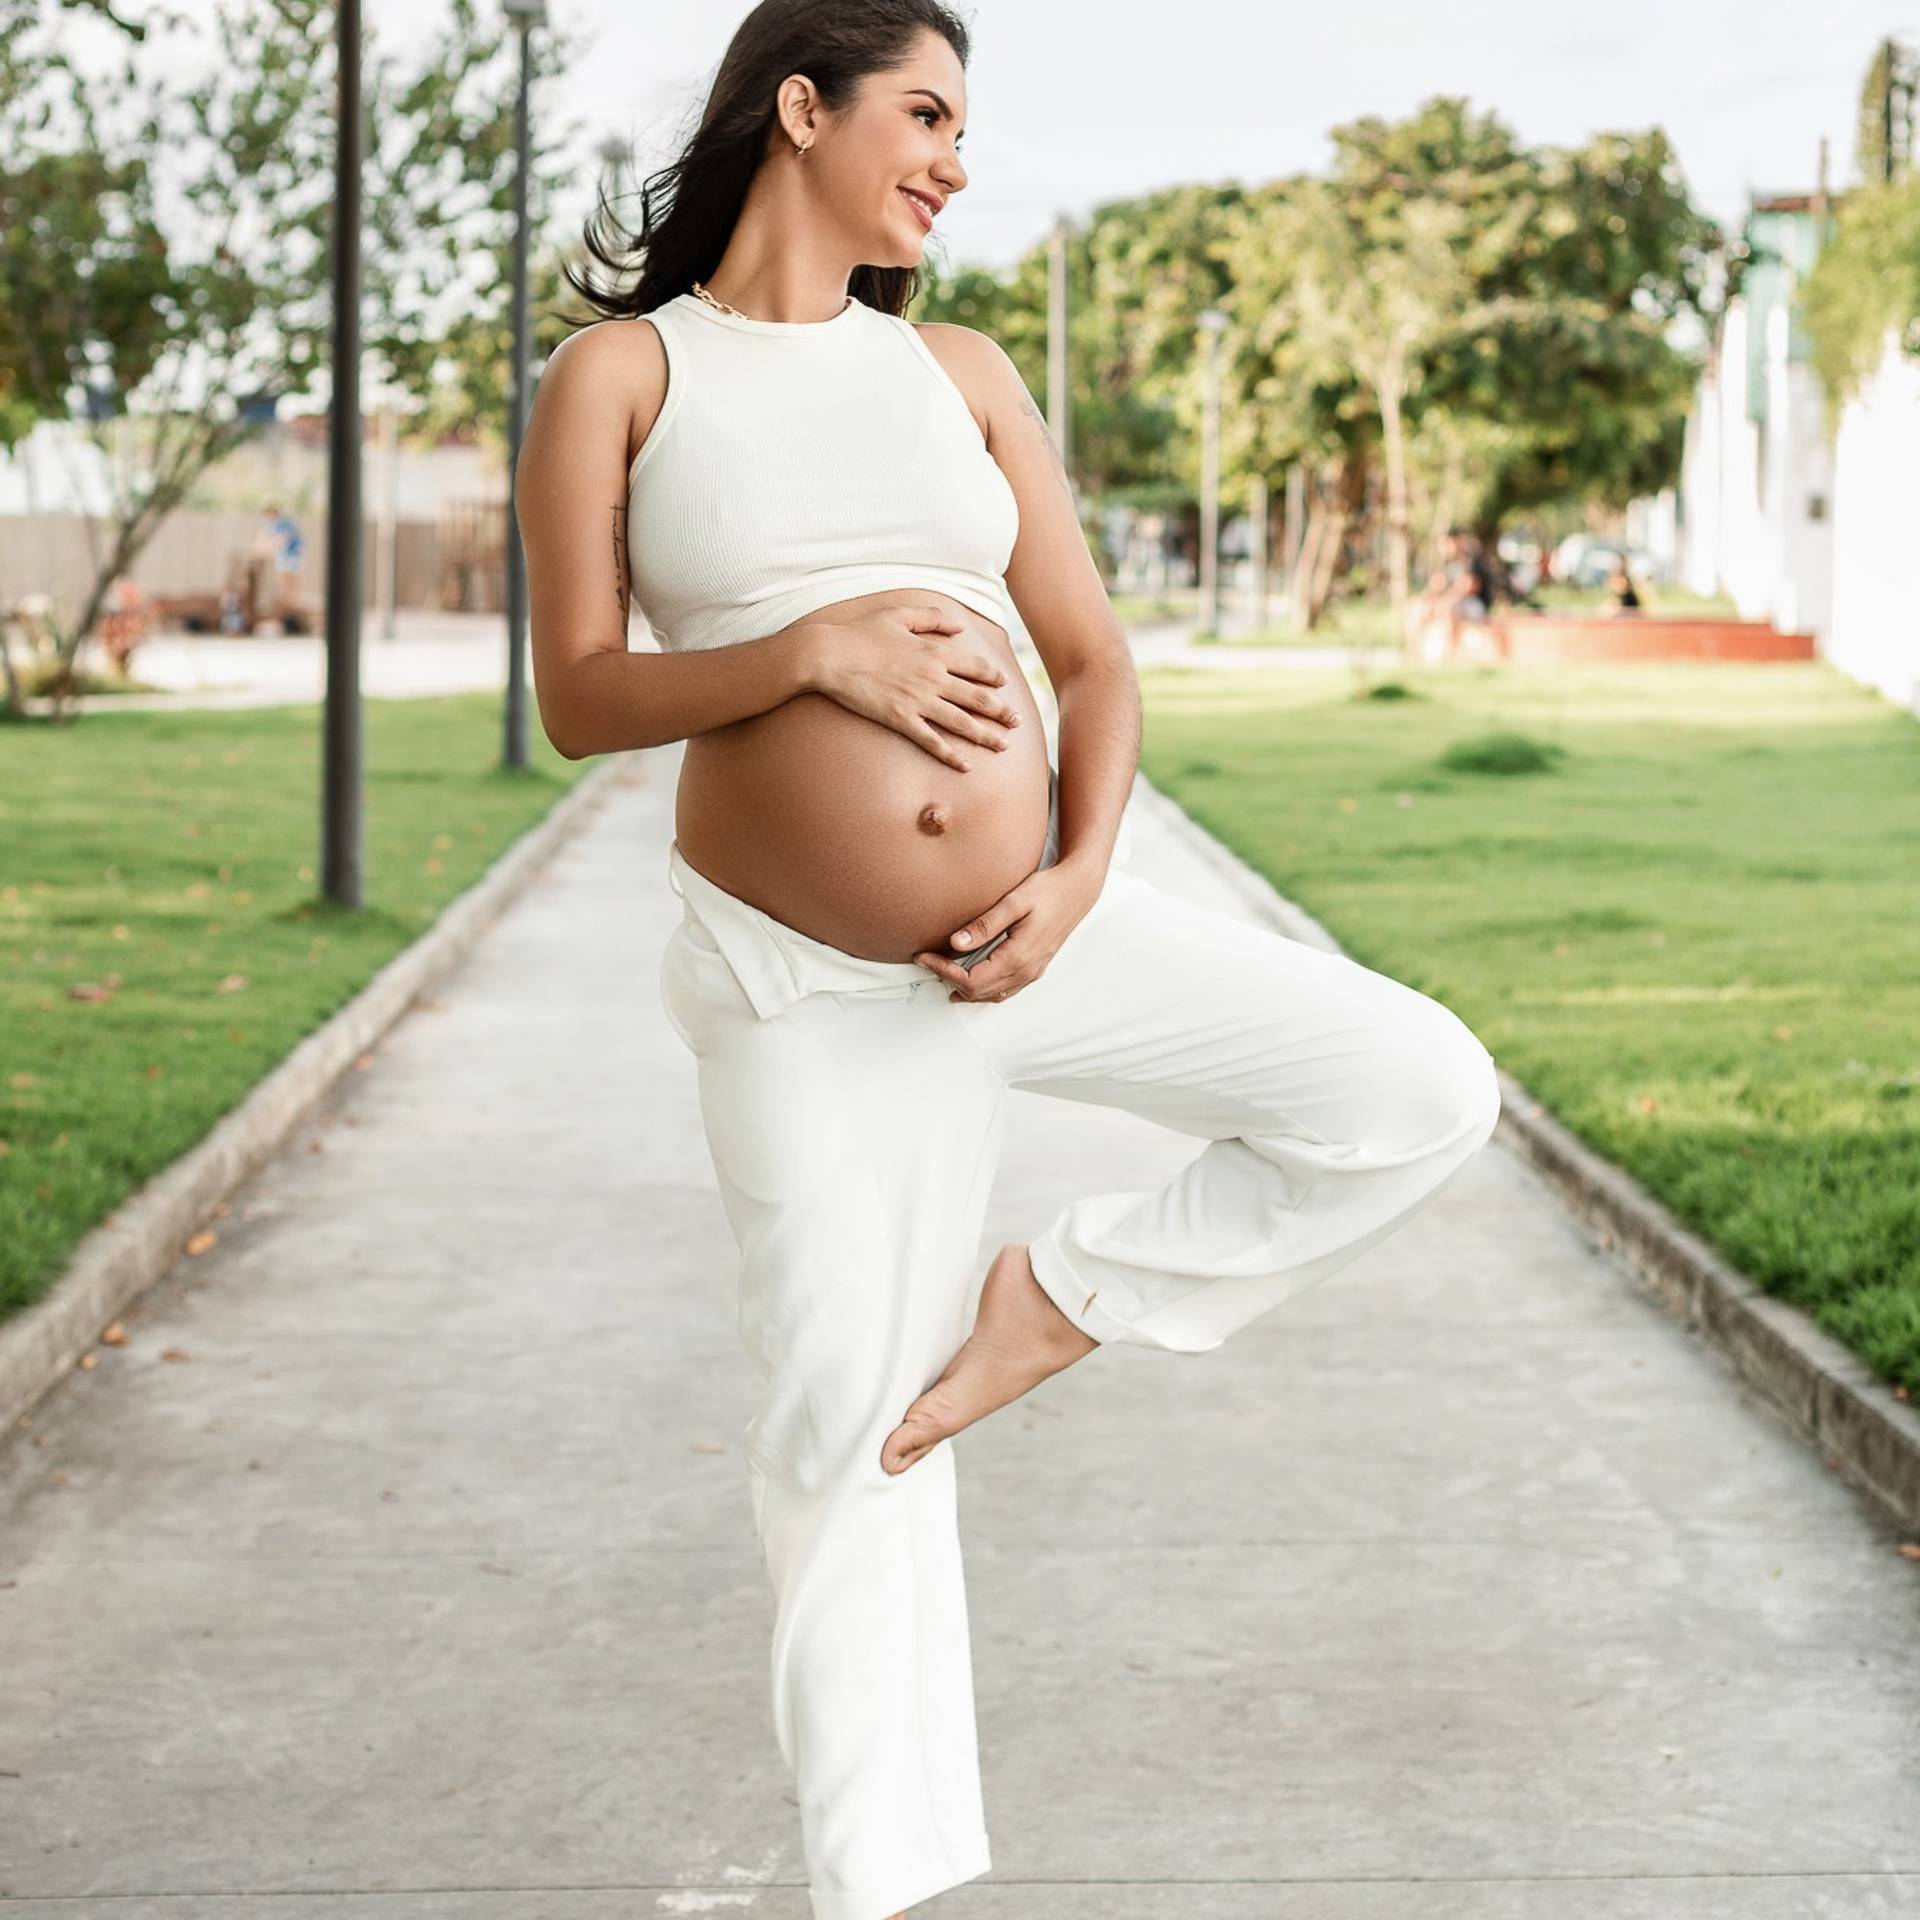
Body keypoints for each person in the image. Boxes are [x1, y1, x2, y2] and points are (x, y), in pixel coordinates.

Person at [514, 6, 1502, 1917]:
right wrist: (814, 653)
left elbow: (1095, 659)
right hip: (808, 996)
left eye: (967, 125)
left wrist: (1076, 874)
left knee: (1417, 1088)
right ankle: (882, 1891)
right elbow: (582, 694)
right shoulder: (621, 376)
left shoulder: (956, 368)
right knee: (845, 1439)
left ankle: (1069, 1297)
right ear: (800, 107)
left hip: (1047, 934)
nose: (958, 160)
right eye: (928, 112)